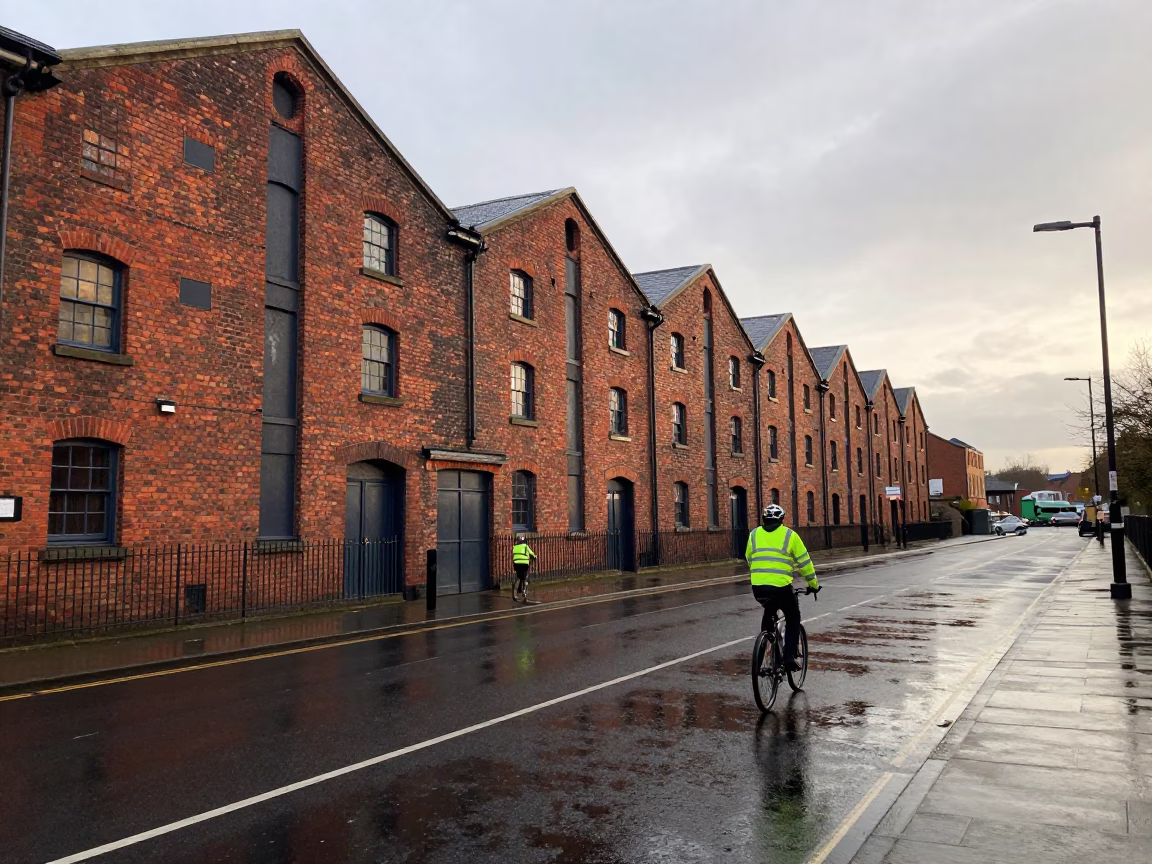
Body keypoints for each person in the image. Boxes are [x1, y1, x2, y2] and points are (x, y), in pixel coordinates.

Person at [745, 503, 819, 671]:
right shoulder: (789, 535)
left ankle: (763, 647)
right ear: (781, 520)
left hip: (758, 587)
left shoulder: (754, 535)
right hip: (781, 587)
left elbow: (749, 558)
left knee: (769, 610)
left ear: (764, 519)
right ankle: (788, 657)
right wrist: (813, 584)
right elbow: (805, 563)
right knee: (793, 617)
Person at [511, 534, 536, 602]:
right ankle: (524, 593)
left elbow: (513, 555)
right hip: (524, 564)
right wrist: (534, 557)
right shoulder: (526, 546)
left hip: (516, 564)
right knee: (525, 577)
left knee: (518, 577)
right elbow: (532, 553)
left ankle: (515, 594)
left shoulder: (514, 547)